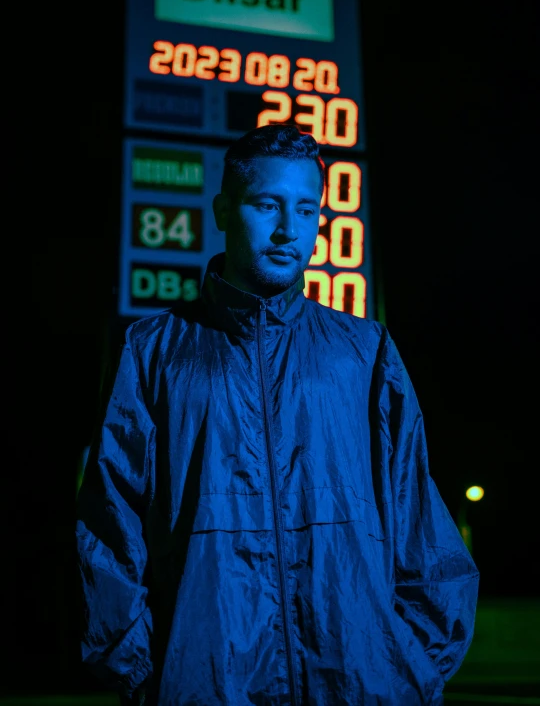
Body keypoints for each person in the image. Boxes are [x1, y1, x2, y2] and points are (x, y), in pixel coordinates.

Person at [75, 124, 479, 705]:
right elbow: (110, 527)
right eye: (267, 205)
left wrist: (407, 670)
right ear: (222, 209)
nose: (290, 230)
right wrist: (144, 675)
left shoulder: (366, 353)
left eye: (307, 210)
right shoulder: (153, 349)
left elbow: (423, 529)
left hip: (362, 686)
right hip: (206, 686)